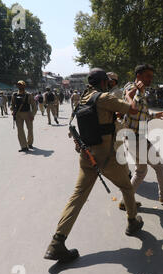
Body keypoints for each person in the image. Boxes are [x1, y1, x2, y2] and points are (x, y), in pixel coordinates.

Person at [43, 68, 144, 263]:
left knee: (78, 196)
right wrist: (131, 94)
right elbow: (132, 109)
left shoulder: (82, 98)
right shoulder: (104, 98)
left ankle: (56, 243)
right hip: (106, 157)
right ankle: (132, 222)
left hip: (87, 155)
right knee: (126, 187)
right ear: (104, 82)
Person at [120, 64, 163, 211]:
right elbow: (130, 105)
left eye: (151, 76)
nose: (150, 79)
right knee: (160, 165)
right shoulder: (131, 87)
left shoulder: (142, 91)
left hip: (134, 137)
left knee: (141, 171)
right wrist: (136, 91)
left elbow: (139, 115)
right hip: (134, 138)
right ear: (139, 75)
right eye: (148, 76)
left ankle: (125, 201)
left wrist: (153, 115)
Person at [11, 80, 36, 152]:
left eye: (21, 85)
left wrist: (32, 114)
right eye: (18, 85)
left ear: (24, 86)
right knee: (20, 130)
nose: (19, 86)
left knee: (30, 130)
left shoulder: (29, 95)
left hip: (28, 114)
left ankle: (30, 143)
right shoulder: (14, 94)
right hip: (18, 114)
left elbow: (34, 106)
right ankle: (24, 146)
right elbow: (12, 105)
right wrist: (13, 111)